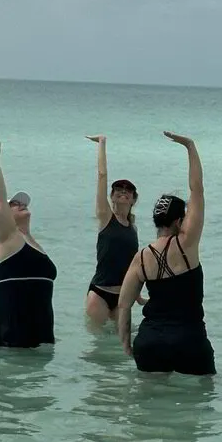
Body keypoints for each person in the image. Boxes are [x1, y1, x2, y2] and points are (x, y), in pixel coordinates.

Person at [117, 132, 215, 376]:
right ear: (180, 221)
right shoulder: (187, 243)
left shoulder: (141, 257)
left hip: (150, 341)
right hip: (189, 341)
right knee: (197, 404)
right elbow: (197, 190)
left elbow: (124, 304)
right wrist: (190, 147)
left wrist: (126, 340)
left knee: (150, 407)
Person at [0, 136, 57, 348]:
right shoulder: (8, 237)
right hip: (14, 327)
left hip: (41, 328)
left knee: (38, 380)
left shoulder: (33, 243)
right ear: (7, 213)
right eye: (15, 204)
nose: (21, 204)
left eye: (23, 202)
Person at [85, 134, 139, 327]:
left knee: (121, 349)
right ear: (112, 197)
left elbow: (131, 265)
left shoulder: (132, 228)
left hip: (123, 296)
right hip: (99, 292)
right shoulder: (106, 217)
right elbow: (101, 176)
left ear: (133, 199)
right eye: (119, 189)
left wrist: (138, 295)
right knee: (98, 348)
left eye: (128, 190)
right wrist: (102, 143)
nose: (123, 191)